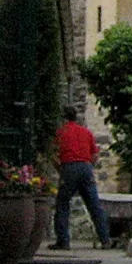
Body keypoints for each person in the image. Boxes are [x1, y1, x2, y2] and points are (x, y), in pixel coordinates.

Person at [52, 106, 112, 250]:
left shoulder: (61, 132)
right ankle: (105, 239)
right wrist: (89, 167)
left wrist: (61, 171)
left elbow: (54, 155)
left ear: (63, 118)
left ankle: (63, 241)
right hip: (86, 167)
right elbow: (95, 154)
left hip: (69, 167)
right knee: (94, 204)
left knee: (62, 204)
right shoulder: (86, 132)